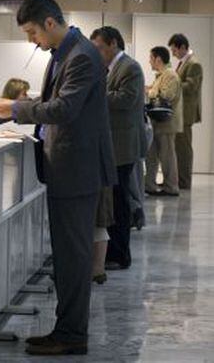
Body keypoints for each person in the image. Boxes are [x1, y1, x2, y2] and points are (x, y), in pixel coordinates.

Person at [0, 0, 116, 357]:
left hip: (77, 169)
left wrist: (16, 108)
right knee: (66, 255)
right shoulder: (67, 52)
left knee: (73, 258)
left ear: (49, 23)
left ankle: (72, 334)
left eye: (32, 33)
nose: (32, 41)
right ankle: (65, 327)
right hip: (68, 169)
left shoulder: (81, 56)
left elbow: (65, 108)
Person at [90, 26, 147, 271]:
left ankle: (120, 255)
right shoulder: (110, 68)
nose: (98, 53)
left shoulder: (130, 67)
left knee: (119, 201)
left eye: (100, 48)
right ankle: (111, 253)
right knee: (113, 199)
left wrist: (94, 93)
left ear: (113, 44)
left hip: (123, 146)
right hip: (112, 145)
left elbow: (126, 99)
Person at [145, 46, 183, 197]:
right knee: (152, 155)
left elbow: (166, 95)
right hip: (158, 123)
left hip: (166, 124)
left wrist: (150, 91)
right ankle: (150, 185)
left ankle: (171, 187)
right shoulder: (162, 75)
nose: (149, 62)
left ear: (158, 59)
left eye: (151, 58)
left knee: (167, 157)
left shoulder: (171, 75)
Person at [168, 33, 203, 190]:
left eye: (174, 50)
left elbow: (191, 87)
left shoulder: (194, 64)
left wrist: (173, 84)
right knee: (179, 148)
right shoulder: (184, 63)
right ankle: (179, 180)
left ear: (183, 47)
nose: (173, 54)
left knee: (183, 149)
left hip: (186, 113)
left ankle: (184, 182)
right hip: (181, 112)